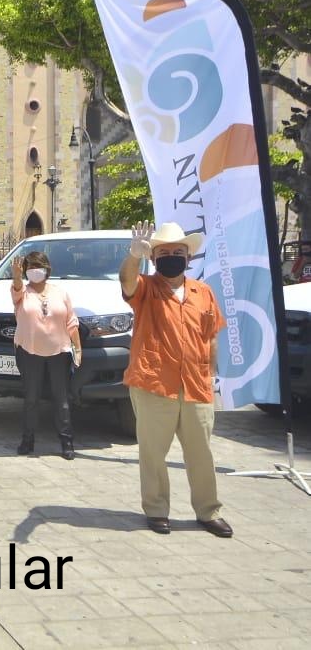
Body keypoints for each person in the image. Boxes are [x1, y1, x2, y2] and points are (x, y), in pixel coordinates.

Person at [121, 221, 231, 537]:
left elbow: (211, 336)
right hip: (154, 384)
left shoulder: (203, 292)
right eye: (164, 253)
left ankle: (208, 512)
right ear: (154, 258)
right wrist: (133, 256)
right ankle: (157, 510)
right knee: (153, 453)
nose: (172, 257)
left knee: (202, 453)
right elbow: (127, 281)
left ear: (188, 257)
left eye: (178, 253)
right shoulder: (145, 288)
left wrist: (211, 375)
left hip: (196, 385)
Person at [10, 251, 81, 459]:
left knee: (61, 398)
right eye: (30, 267)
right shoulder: (22, 292)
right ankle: (28, 440)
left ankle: (66, 441)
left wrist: (78, 348)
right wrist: (16, 276)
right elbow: (16, 288)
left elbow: (71, 322)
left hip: (59, 351)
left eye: (38, 266)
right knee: (31, 398)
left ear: (47, 268)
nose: (34, 270)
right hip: (29, 351)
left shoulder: (60, 293)